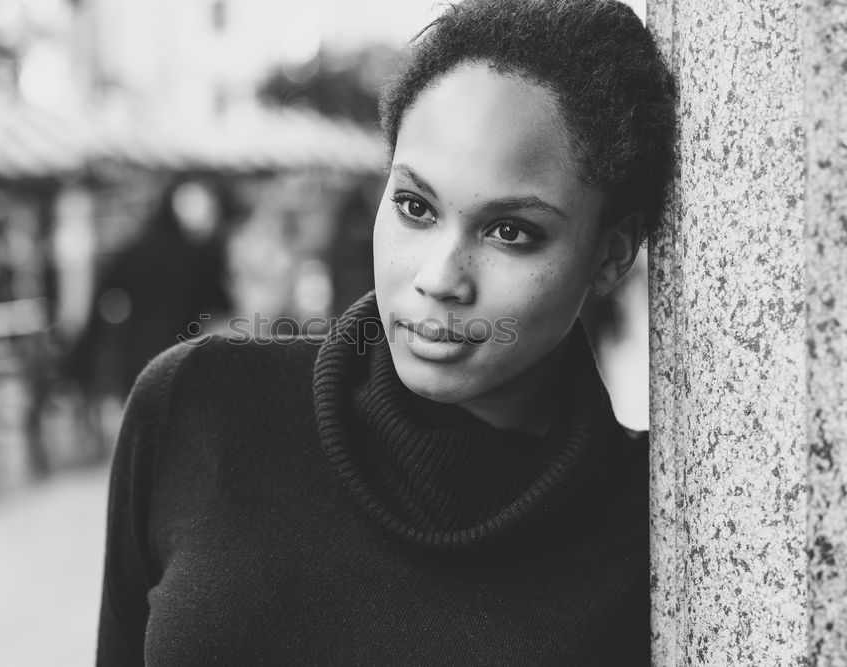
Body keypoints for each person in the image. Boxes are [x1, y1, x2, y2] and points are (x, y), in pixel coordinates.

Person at [96, 0, 675, 664]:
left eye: (511, 231)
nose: (439, 278)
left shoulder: (651, 531)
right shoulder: (197, 406)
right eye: (415, 206)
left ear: (611, 255)